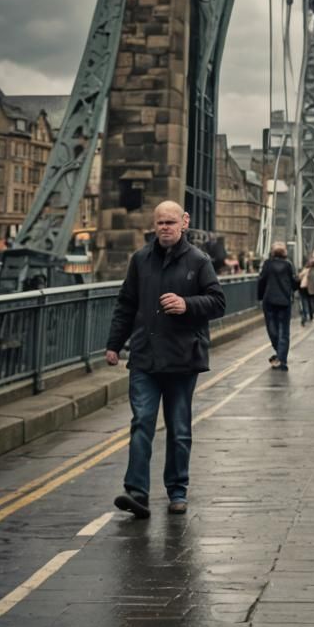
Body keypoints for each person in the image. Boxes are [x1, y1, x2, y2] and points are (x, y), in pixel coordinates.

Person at [106, 200, 226, 518]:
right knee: (141, 422)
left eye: (171, 222)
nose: (165, 228)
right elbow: (126, 304)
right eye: (160, 223)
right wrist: (114, 345)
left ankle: (177, 491)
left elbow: (217, 302)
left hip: (183, 359)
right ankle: (137, 492)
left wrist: (187, 304)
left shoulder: (199, 261)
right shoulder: (140, 259)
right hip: (145, 357)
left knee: (179, 428)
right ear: (154, 225)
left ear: (184, 223)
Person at [257, 242, 295, 369]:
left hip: (269, 301)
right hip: (284, 301)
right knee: (284, 331)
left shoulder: (268, 264)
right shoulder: (288, 264)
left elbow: (261, 280)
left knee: (272, 329)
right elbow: (293, 282)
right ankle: (282, 359)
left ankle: (279, 354)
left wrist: (260, 297)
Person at [297, 257, 314, 324]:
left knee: (305, 302)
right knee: (310, 302)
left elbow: (299, 277)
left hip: (304, 287)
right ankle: (310, 315)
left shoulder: (306, 270)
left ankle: (307, 315)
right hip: (309, 288)